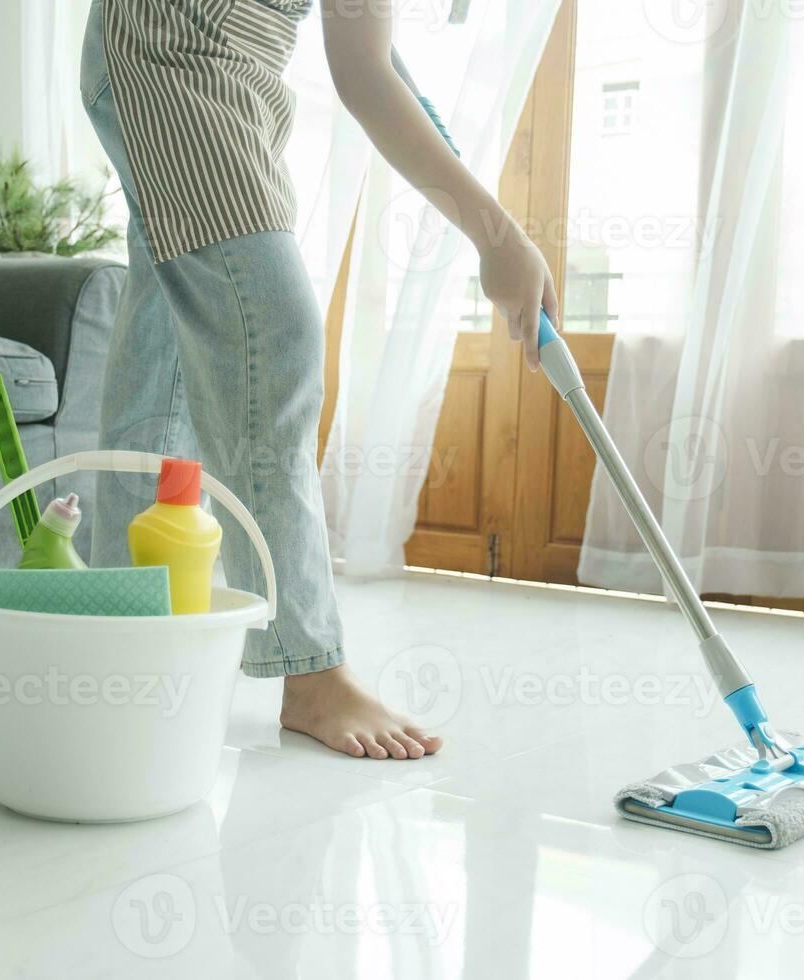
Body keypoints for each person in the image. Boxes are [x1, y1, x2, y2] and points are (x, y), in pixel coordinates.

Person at [79, 0, 558, 760]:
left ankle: (118, 635)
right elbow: (364, 75)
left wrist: (493, 230)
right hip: (173, 51)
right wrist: (496, 235)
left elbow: (370, 53)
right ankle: (310, 671)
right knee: (271, 330)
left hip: (229, 69)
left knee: (170, 341)